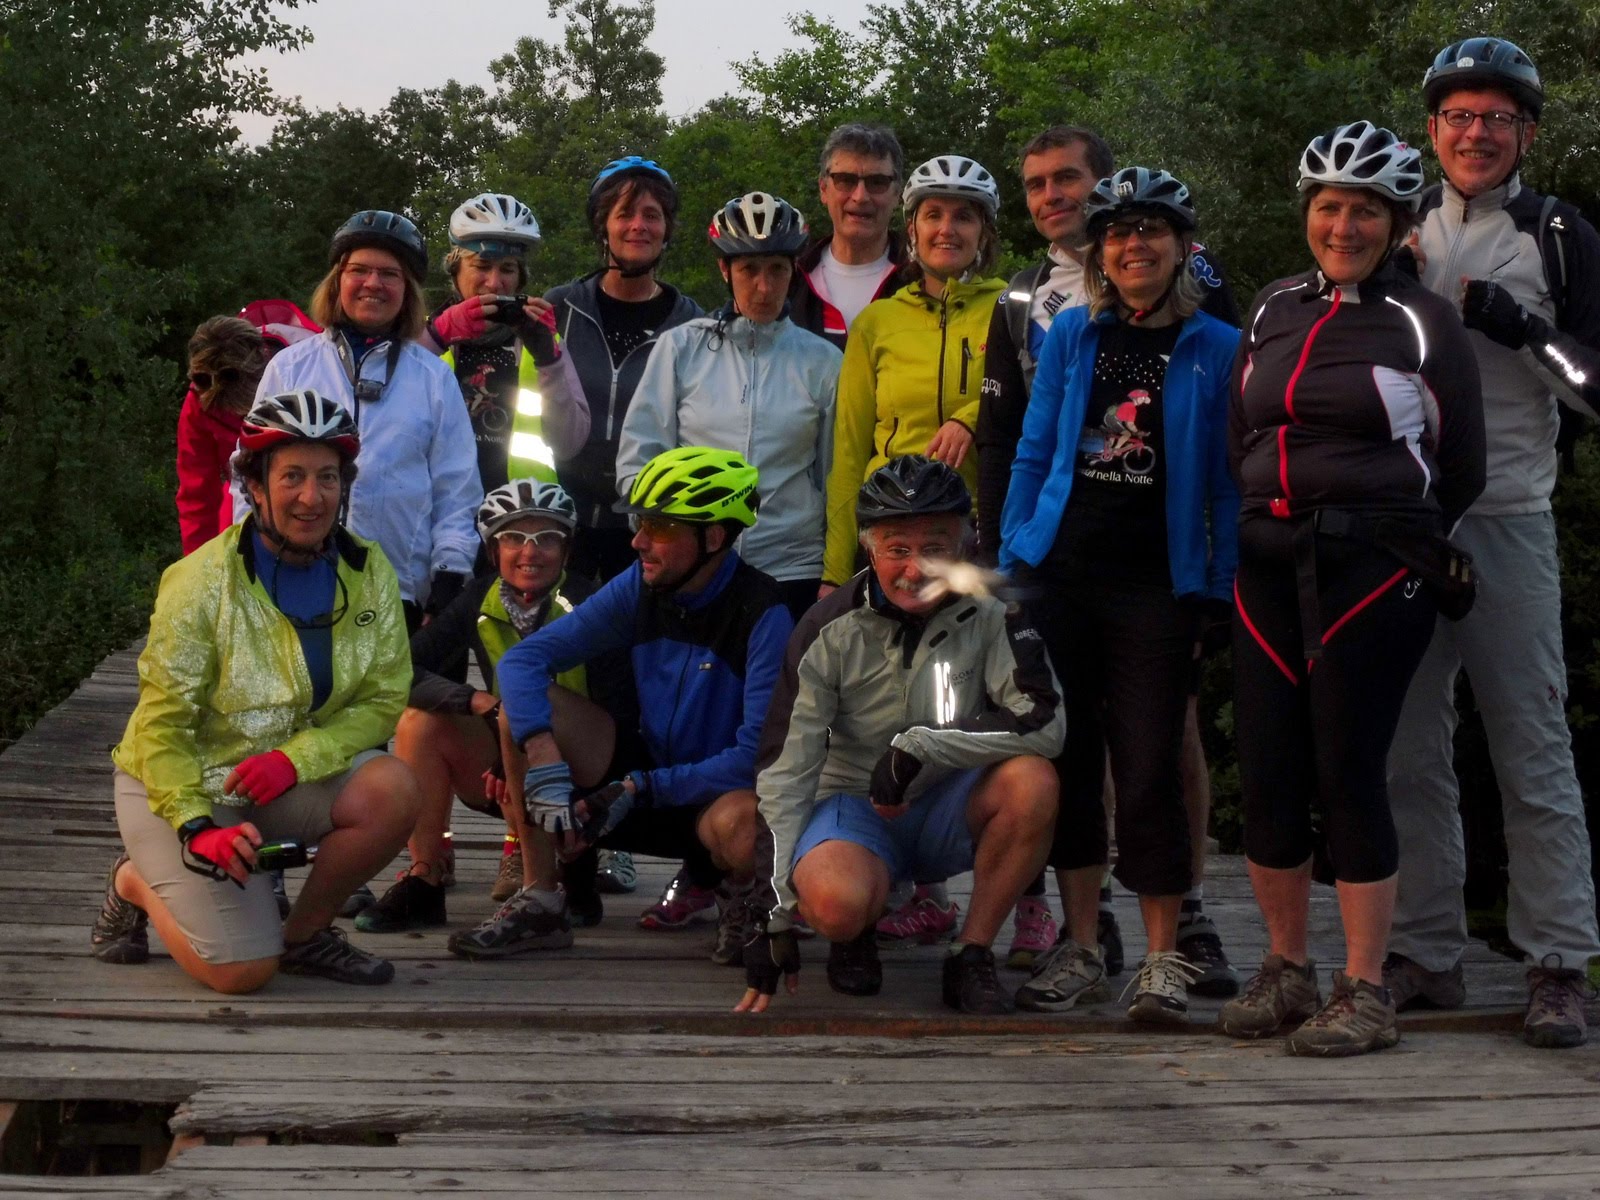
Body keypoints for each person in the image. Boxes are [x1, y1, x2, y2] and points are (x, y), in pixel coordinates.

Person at [1219, 123, 1485, 1056]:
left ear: (1397, 221)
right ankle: (1286, 970)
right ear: (1308, 214)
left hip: (1371, 567)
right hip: (1265, 557)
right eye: (1329, 205)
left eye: (1364, 208)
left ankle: (1364, 986)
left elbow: (1460, 468)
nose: (1343, 223)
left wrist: (1391, 535)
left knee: (1349, 771)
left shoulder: (1424, 321)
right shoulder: (1270, 309)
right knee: (1269, 773)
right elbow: (1238, 436)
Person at [977, 126, 1242, 984]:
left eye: (1151, 231)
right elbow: (1029, 448)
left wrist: (1221, 585)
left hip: (1159, 583)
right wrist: (1015, 550)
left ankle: (1164, 954)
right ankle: (1085, 945)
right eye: (1119, 233)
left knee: (1151, 763)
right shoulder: (1072, 337)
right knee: (1070, 758)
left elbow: (1229, 482)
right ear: (1100, 251)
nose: (1135, 246)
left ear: (1182, 246)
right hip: (1062, 571)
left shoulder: (1219, 348)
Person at [1384, 37, 1600, 1050]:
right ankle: (1424, 950)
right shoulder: (1396, 226)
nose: (1476, 135)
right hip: (1406, 516)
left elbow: (1593, 386)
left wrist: (1518, 326)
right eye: (1458, 117)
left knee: (1530, 743)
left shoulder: (1558, 234)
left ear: (1526, 132)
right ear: (1432, 128)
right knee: (1405, 746)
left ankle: (1557, 960)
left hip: (1510, 513)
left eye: (1497, 119)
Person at [91, 390, 420, 991]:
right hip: (178, 786)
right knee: (242, 972)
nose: (312, 497)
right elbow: (162, 725)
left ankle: (303, 936)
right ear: (256, 485)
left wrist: (294, 759)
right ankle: (132, 880)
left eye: (327, 477)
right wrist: (196, 827)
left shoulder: (367, 569)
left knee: (392, 788)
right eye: (292, 476)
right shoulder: (199, 581)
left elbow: (382, 700)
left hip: (279, 777)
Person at [739, 455, 1063, 1016]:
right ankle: (854, 931)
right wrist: (771, 913)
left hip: (946, 799)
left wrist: (922, 745)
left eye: (935, 547)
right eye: (897, 549)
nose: (915, 569)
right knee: (836, 904)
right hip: (853, 806)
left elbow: (1044, 720)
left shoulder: (998, 608)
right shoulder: (826, 627)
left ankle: (972, 954)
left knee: (1033, 781)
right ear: (869, 549)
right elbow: (785, 768)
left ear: (965, 543)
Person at [448, 447, 793, 963]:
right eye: (638, 523)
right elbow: (523, 664)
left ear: (713, 537)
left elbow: (753, 759)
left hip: (708, 801)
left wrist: (642, 785)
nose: (637, 541)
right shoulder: (641, 586)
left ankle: (742, 899)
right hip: (633, 784)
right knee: (523, 705)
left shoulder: (765, 614)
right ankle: (541, 899)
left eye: (658, 527)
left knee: (747, 822)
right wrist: (541, 749)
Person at [355, 479, 627, 932]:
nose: (530, 552)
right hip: (510, 745)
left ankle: (573, 867)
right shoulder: (476, 599)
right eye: (514, 538)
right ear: (492, 548)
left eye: (547, 539)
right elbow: (400, 669)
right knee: (419, 721)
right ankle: (426, 877)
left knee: (526, 700)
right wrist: (477, 701)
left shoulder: (591, 600)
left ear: (567, 549)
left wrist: (520, 742)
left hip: (586, 762)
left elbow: (621, 711)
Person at [246, 210, 482, 632]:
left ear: (406, 290)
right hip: (293, 582)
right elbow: (247, 476)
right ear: (338, 281)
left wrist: (449, 574)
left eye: (389, 274)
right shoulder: (290, 367)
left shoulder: (432, 377)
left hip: (400, 593)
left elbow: (457, 489)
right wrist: (247, 562)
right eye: (359, 270)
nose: (373, 283)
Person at [618, 192, 842, 621]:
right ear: (725, 270)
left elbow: (832, 472)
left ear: (793, 271)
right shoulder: (681, 348)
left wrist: (833, 565)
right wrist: (659, 535)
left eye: (777, 270)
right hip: (697, 563)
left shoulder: (824, 361)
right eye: (749, 270)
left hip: (791, 566)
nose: (764, 286)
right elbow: (641, 455)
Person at [822, 155, 1006, 593]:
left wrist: (972, 416)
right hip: (890, 530)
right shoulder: (877, 321)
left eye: (963, 216)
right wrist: (833, 573)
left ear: (983, 231)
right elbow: (848, 452)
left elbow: (1040, 400)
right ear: (911, 229)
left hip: (978, 528)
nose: (947, 229)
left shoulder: (1010, 306)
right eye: (933, 215)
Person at [548, 157, 703, 585]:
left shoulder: (691, 325)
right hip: (560, 520)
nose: (639, 225)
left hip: (648, 526)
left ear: (667, 229)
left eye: (652, 215)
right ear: (604, 226)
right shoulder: (561, 309)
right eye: (625, 214)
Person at [418, 193, 590, 492]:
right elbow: (381, 421)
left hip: (522, 519)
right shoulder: (423, 336)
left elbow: (569, 444)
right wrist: (435, 338)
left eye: (508, 269)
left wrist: (549, 360)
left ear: (520, 278)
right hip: (437, 513)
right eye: (482, 266)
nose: (495, 283)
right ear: (455, 270)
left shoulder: (543, 342)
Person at [176, 301, 321, 554]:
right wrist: (199, 568)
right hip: (241, 490)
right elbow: (196, 492)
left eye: (243, 407)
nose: (236, 415)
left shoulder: (308, 370)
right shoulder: (200, 396)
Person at [790, 123, 907, 348]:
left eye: (877, 183)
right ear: (823, 189)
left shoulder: (921, 279)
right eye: (845, 180)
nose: (860, 196)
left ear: (897, 193)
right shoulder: (789, 277)